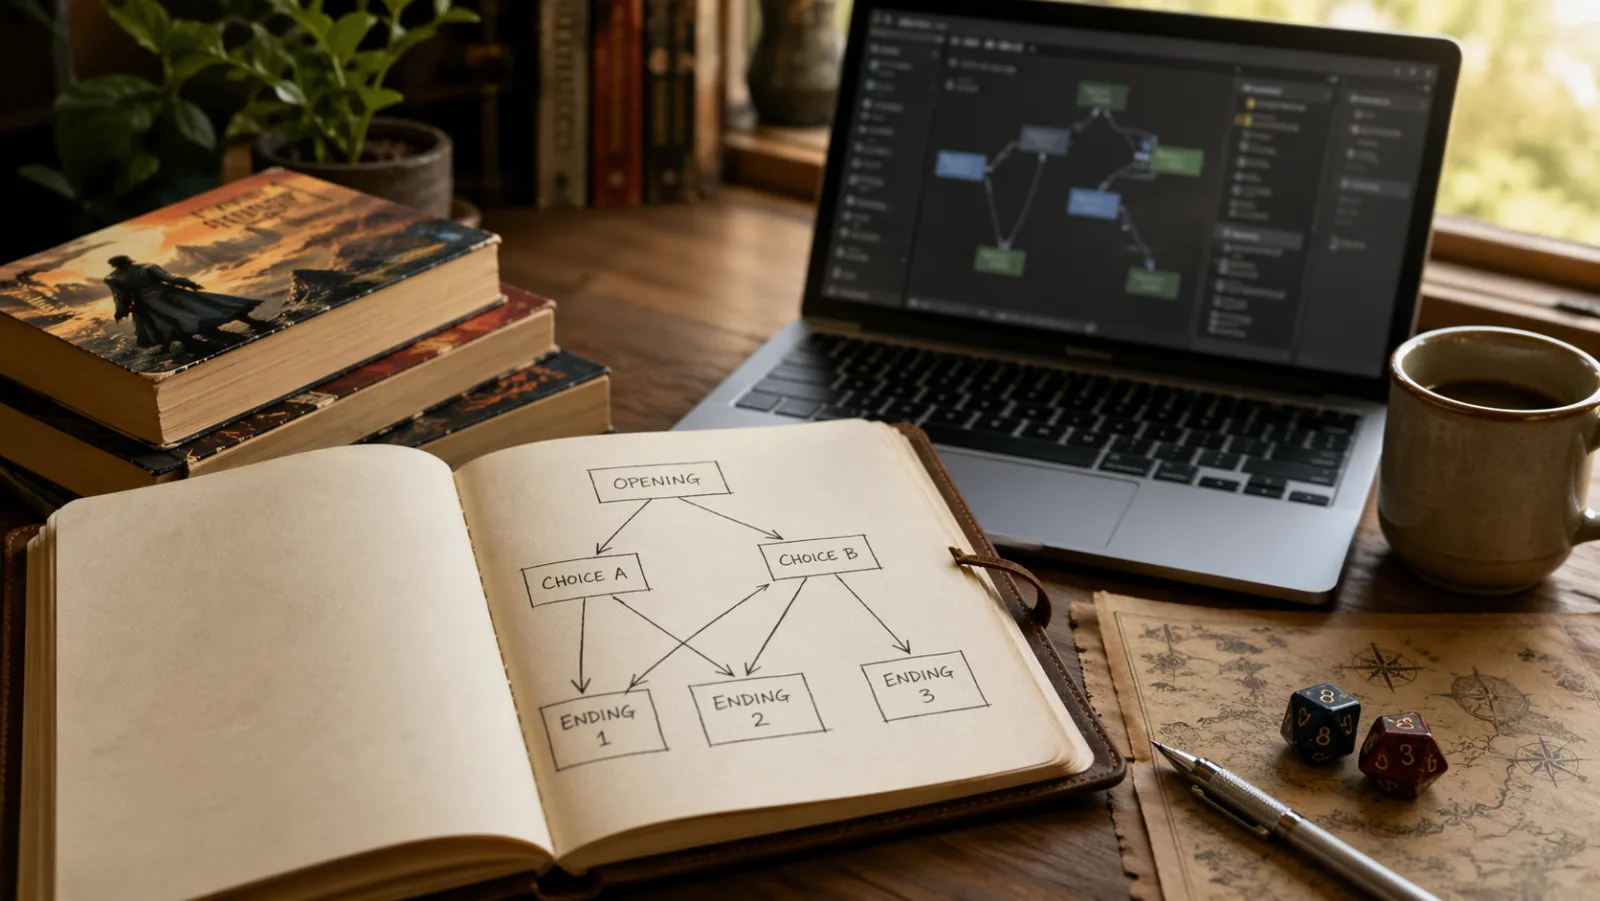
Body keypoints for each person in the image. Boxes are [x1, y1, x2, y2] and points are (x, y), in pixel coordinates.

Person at [103, 255, 272, 353]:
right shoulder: (147, 268)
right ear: (129, 261)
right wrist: (189, 283)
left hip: (149, 305)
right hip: (167, 296)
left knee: (177, 322)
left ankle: (201, 343)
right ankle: (246, 325)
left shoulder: (114, 278)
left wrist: (121, 311)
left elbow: (120, 297)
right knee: (207, 308)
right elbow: (170, 279)